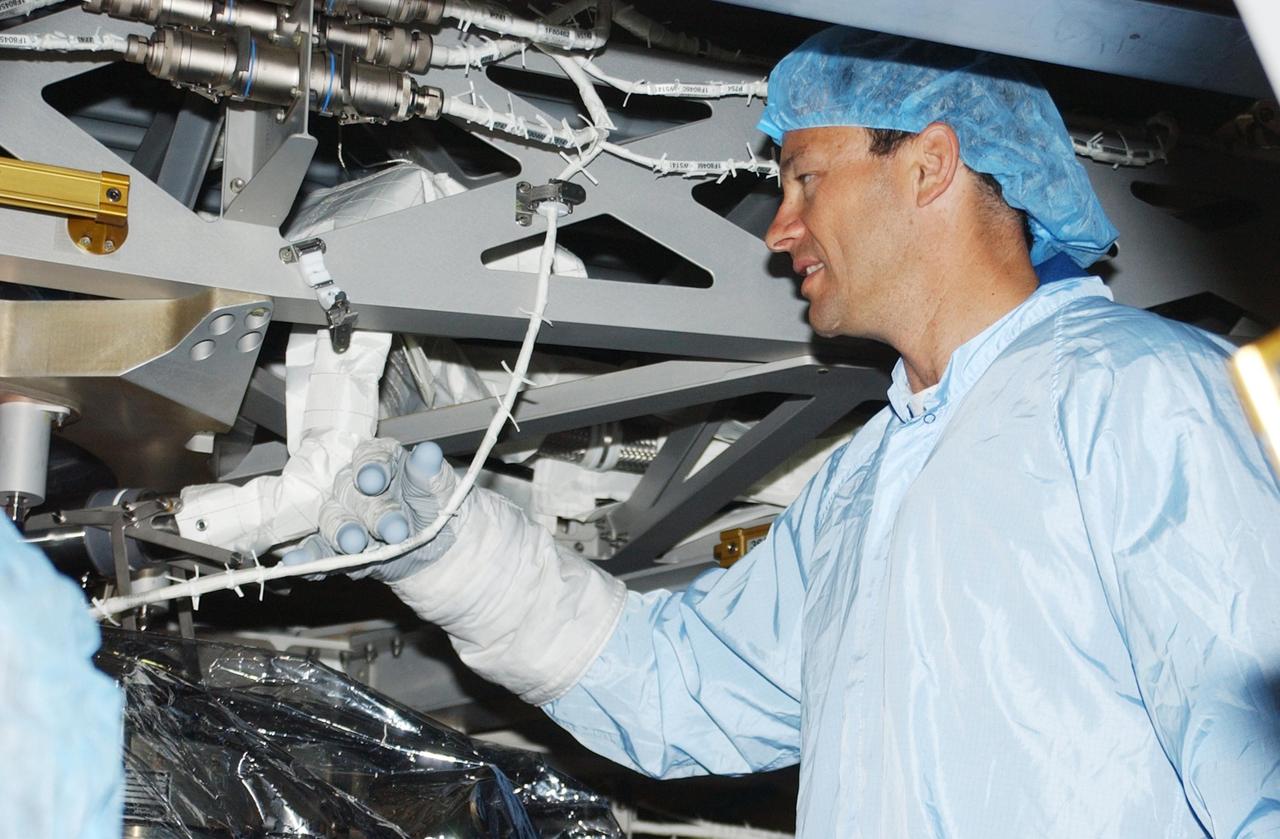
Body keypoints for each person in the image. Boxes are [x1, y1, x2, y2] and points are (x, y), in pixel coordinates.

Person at [289, 27, 1280, 837]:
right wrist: (455, 554)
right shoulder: (866, 480)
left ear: (929, 164)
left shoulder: (1139, 391)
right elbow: (684, 688)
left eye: (804, 178)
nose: (776, 228)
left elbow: (1256, 747)